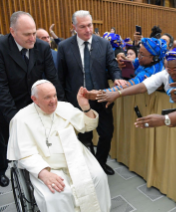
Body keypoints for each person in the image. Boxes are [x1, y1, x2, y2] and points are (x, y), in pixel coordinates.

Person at [7, 80, 111, 212]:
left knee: (98, 178)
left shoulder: (64, 107)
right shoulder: (21, 119)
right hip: (48, 166)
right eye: (47, 97)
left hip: (76, 156)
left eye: (54, 95)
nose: (53, 101)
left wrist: (85, 107)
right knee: (58, 195)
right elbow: (25, 153)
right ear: (35, 99)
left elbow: (88, 125)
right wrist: (43, 173)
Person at [57, 10, 126, 175]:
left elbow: (112, 65)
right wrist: (64, 102)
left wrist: (117, 78)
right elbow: (60, 76)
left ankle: (100, 163)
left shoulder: (104, 44)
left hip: (102, 99)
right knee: (84, 137)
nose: (88, 30)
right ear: (73, 27)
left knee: (107, 133)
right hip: (78, 102)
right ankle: (89, 168)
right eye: (82, 27)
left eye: (90, 25)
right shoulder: (64, 47)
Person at [0, 11, 64, 187]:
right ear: (13, 32)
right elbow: (2, 88)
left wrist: (60, 108)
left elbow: (53, 80)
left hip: (34, 104)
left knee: (39, 143)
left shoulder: (42, 48)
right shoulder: (1, 47)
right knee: (10, 144)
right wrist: (15, 120)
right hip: (8, 104)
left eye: (34, 33)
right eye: (27, 34)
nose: (32, 38)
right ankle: (2, 169)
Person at [92, 47, 176, 108]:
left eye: (175, 69)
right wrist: (116, 93)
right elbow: (142, 86)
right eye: (168, 69)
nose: (171, 73)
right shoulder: (165, 74)